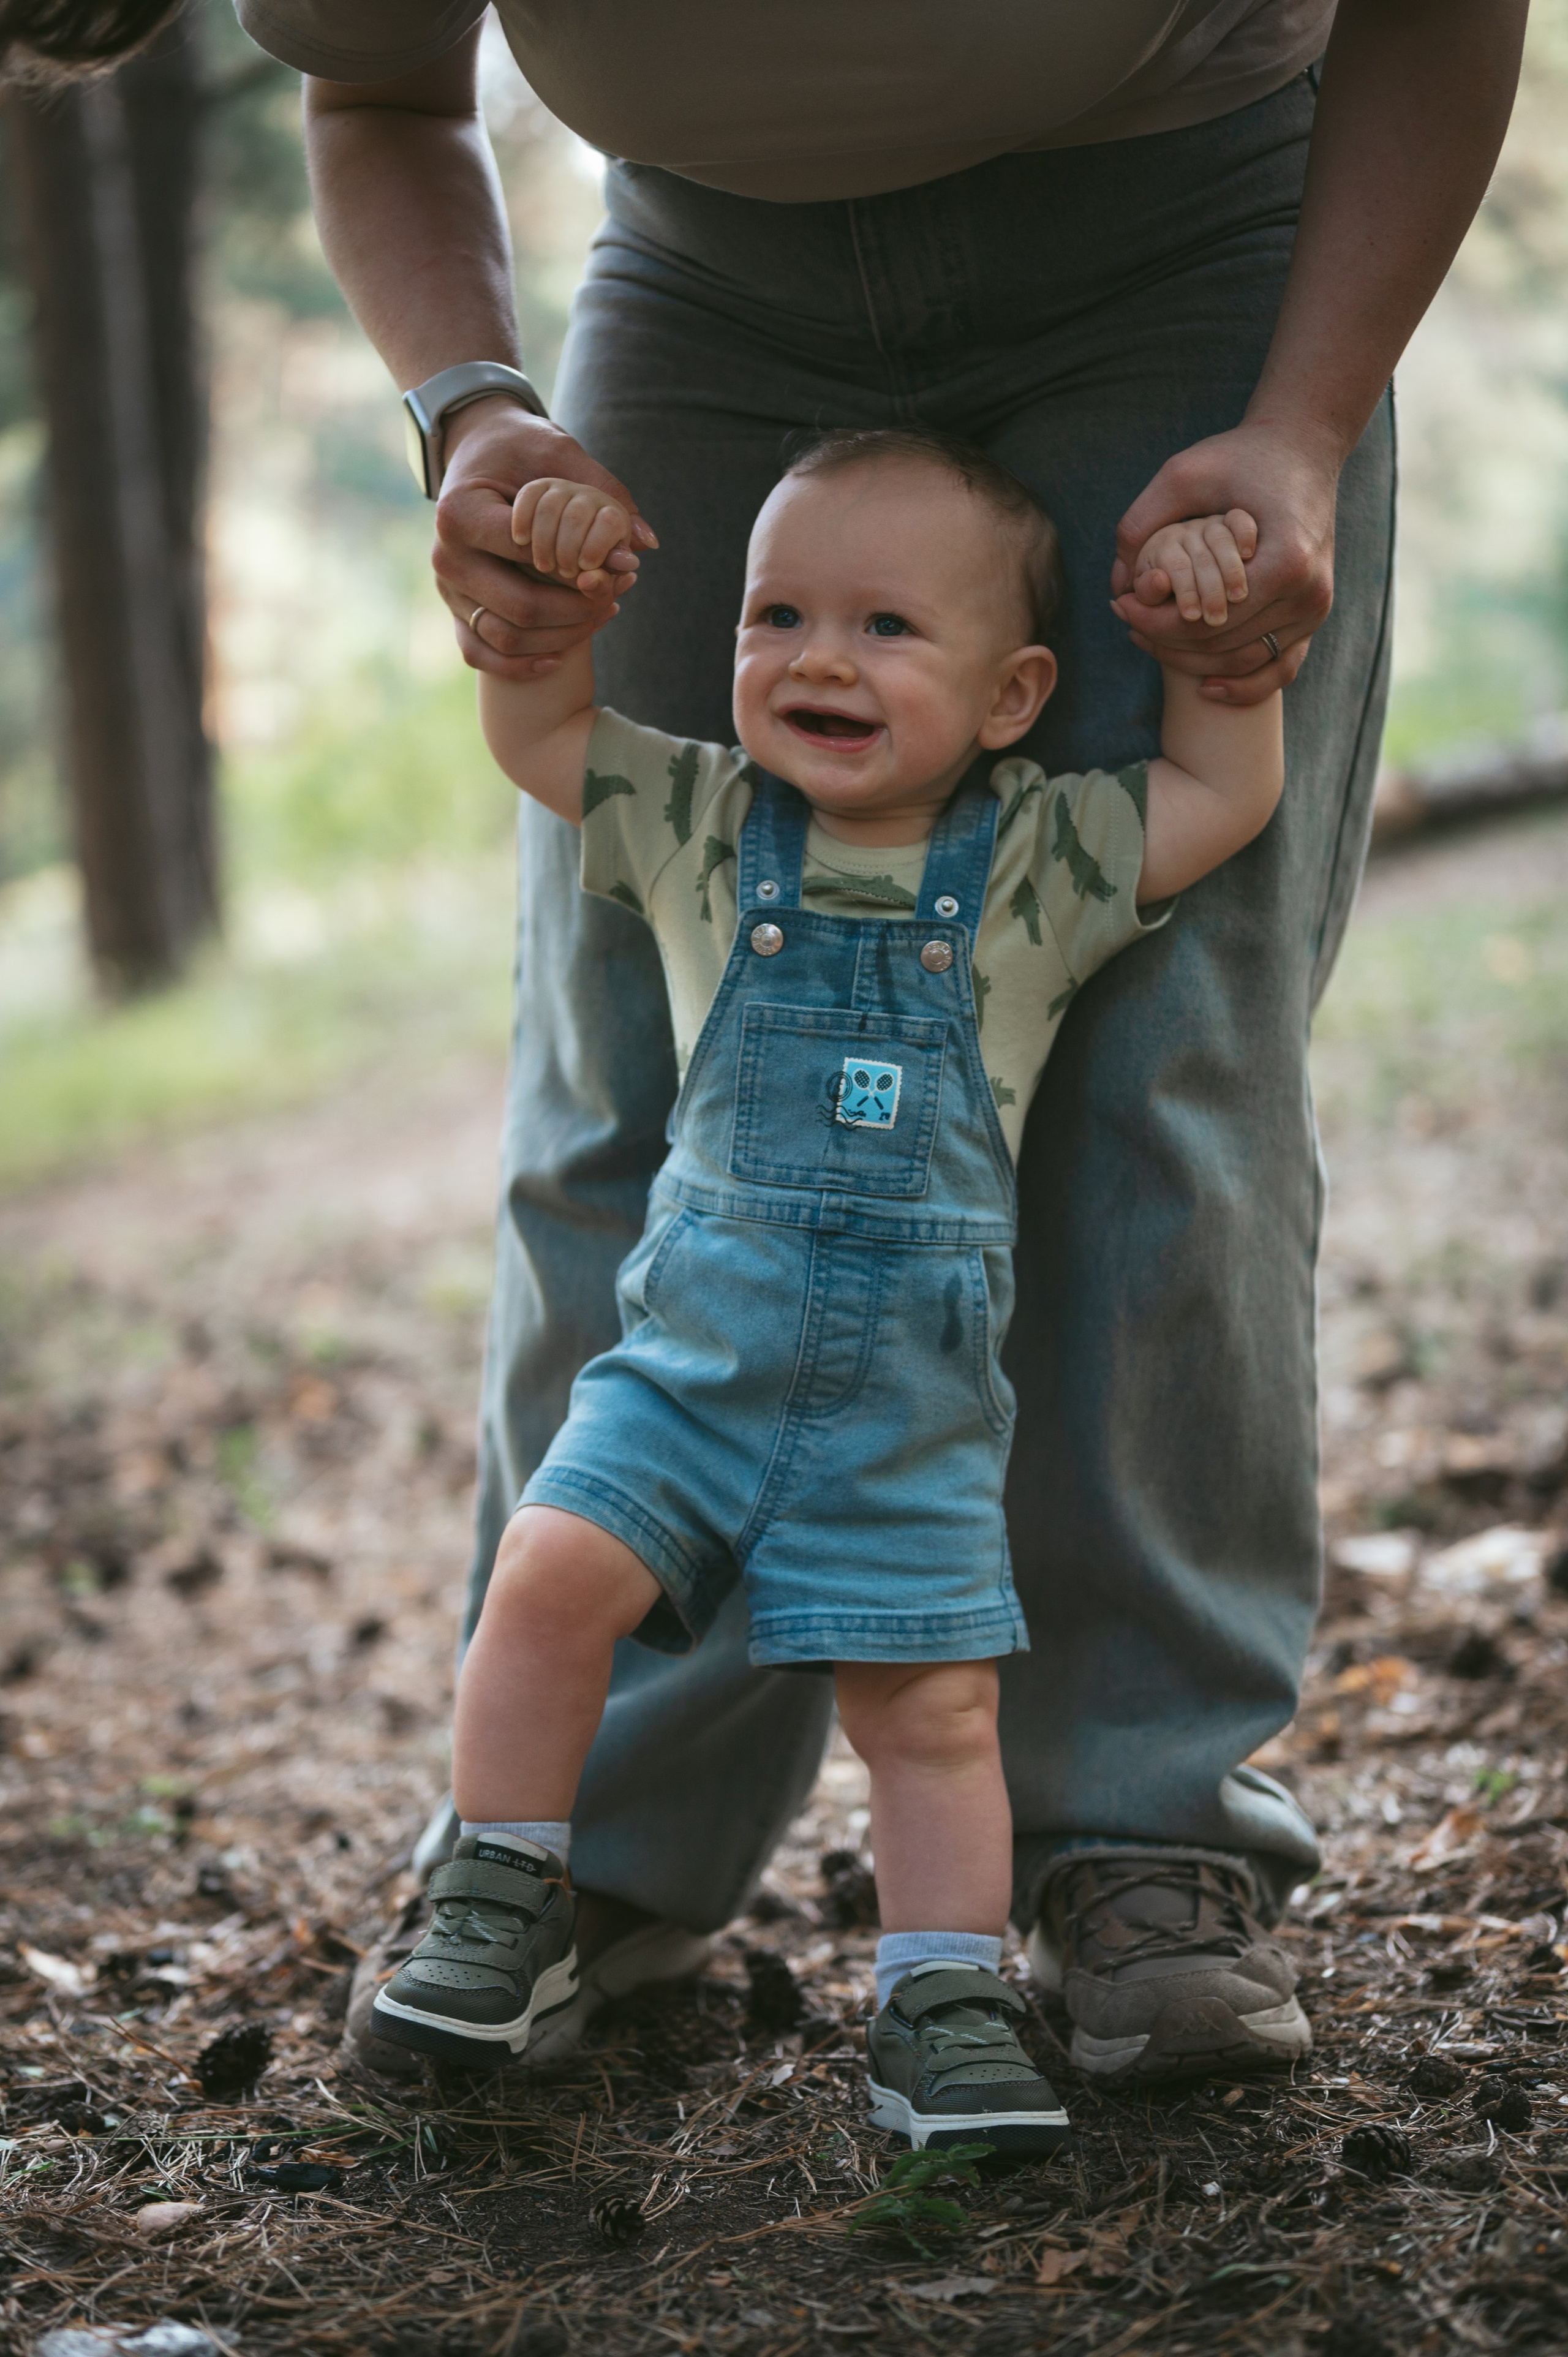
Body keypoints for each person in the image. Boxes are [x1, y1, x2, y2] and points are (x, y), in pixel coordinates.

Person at [15, 0, 1520, 2084]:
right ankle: (572, 1849)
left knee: (1167, 1066)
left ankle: (1144, 1835)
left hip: (1189, 245)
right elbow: (378, 94)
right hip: (707, 290)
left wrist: (1304, 425)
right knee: (631, 1073)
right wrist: (473, 414)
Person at [366, 428, 1290, 2146]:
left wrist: (1210, 659)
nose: (815, 658)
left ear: (1014, 695)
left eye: (884, 626)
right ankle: (503, 1889)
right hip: (694, 1366)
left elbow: (1225, 798)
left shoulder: (1037, 863)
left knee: (932, 1714)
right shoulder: (706, 821)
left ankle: (937, 1998)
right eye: (777, 613)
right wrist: (540, 633)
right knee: (549, 1573)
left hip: (911, 1406)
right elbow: (544, 739)